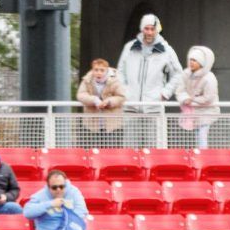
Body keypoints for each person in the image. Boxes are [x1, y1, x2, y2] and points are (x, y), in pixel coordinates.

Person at [115, 14, 182, 145]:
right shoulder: (129, 48)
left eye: (152, 29)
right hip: (131, 106)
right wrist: (125, 91)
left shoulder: (166, 50)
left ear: (157, 30)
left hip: (154, 107)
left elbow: (178, 73)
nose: (149, 32)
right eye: (146, 28)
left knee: (155, 150)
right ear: (142, 29)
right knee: (130, 151)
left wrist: (165, 93)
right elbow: (120, 71)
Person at [23, 170, 94, 230]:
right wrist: (50, 204)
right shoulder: (40, 196)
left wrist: (66, 222)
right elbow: (27, 212)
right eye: (54, 187)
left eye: (61, 186)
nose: (58, 190)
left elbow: (82, 210)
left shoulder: (74, 192)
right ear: (48, 187)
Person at [176, 46, 220, 150]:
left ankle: (203, 157)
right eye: (190, 59)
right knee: (197, 136)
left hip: (206, 112)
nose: (191, 62)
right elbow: (180, 90)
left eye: (195, 60)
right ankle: (199, 156)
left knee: (202, 135)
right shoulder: (185, 74)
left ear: (201, 62)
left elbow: (208, 98)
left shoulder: (209, 78)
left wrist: (192, 101)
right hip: (193, 112)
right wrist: (184, 99)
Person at [75, 59, 126, 146]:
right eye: (96, 70)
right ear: (92, 70)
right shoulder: (87, 80)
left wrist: (109, 101)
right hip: (92, 121)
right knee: (93, 147)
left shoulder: (115, 80)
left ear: (106, 71)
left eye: (102, 70)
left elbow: (121, 97)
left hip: (111, 122)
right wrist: (93, 100)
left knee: (111, 148)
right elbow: (81, 95)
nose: (99, 73)